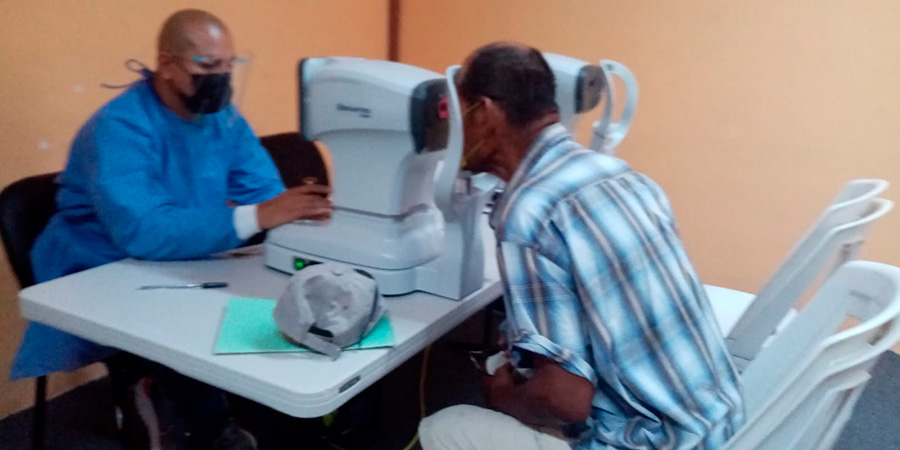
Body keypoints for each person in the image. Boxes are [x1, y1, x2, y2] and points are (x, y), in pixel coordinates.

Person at [10, 9, 332, 449]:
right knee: (189, 328)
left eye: (228, 65)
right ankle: (200, 428)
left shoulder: (222, 118)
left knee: (268, 301)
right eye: (207, 65)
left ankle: (266, 412)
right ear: (166, 64)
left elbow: (263, 190)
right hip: (101, 260)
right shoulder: (119, 127)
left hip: (179, 247)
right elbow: (142, 232)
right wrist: (258, 216)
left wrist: (300, 217)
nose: (220, 78)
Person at [419, 42, 744, 450]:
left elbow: (565, 402)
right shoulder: (621, 174)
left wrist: (501, 396)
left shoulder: (529, 214)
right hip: (720, 428)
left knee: (445, 427)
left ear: (483, 112)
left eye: (459, 115)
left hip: (654, 443)